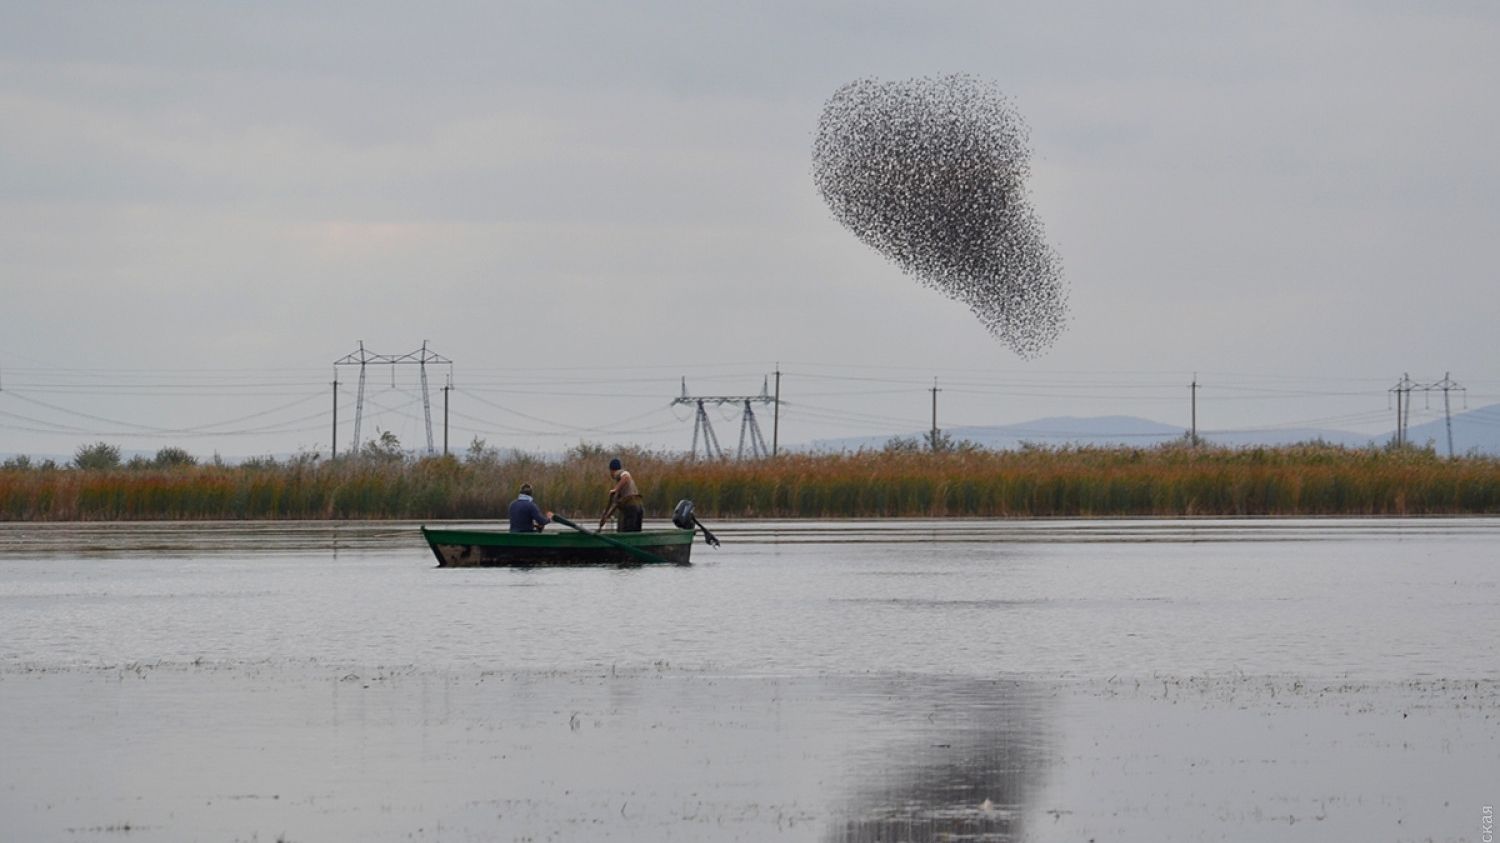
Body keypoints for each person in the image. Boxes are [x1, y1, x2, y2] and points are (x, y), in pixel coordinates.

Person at [598, 457, 644, 532]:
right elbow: (615, 505)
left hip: (631, 508)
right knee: (635, 533)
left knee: (624, 532)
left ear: (611, 470)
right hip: (639, 507)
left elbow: (626, 476)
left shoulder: (618, 473)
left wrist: (615, 489)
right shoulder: (621, 486)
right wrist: (605, 517)